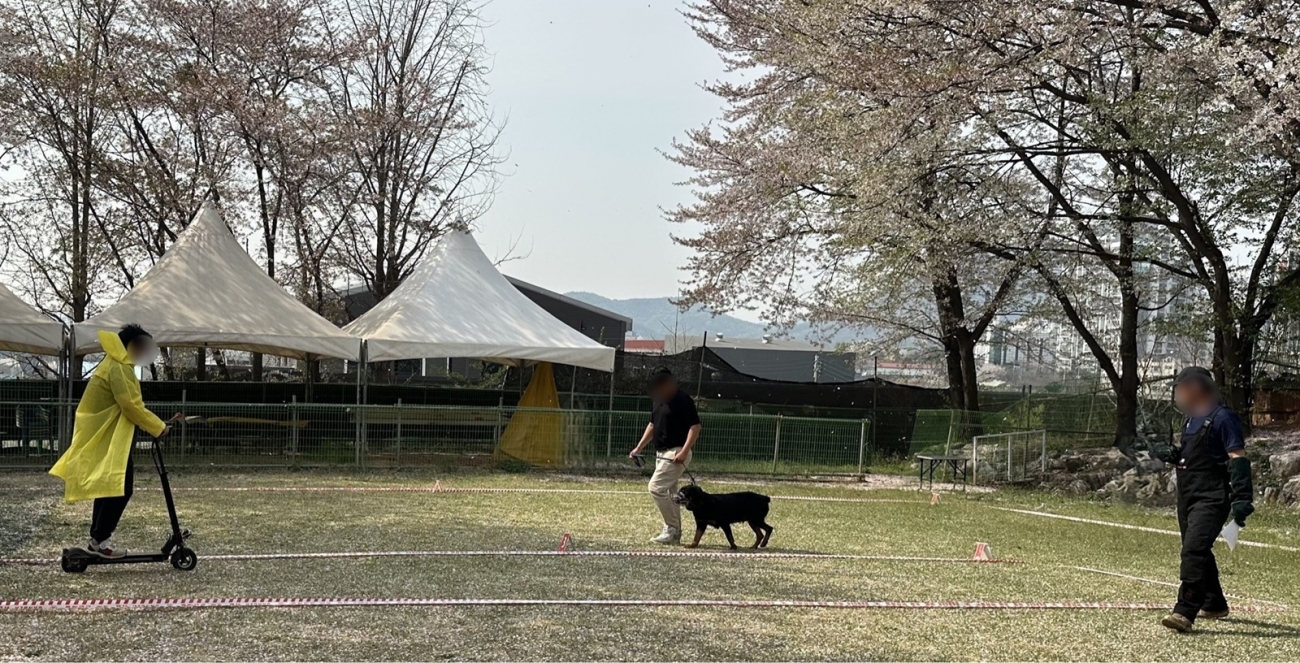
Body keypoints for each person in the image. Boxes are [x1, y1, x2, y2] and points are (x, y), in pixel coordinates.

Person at [50, 324, 170, 559]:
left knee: (109, 487)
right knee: (119, 488)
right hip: (111, 437)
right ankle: (100, 540)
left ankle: (98, 539)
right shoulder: (119, 367)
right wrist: (160, 428)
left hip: (108, 434)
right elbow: (131, 406)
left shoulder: (115, 363)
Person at [1153, 366, 1254, 633]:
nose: (1178, 395)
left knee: (1193, 551)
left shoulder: (1223, 418)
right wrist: (1174, 454)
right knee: (1197, 549)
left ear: (1197, 388)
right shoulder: (1190, 420)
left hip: (1212, 497)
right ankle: (1214, 603)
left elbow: (1237, 457)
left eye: (1181, 389)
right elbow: (1196, 453)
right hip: (1188, 495)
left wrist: (1242, 497)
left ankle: (1185, 610)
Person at [629, 367, 702, 545]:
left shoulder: (683, 400)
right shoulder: (658, 400)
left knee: (656, 487)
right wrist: (638, 447)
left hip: (676, 451)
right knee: (670, 492)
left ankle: (671, 528)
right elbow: (653, 425)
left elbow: (695, 427)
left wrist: (684, 451)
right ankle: (675, 534)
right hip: (661, 453)